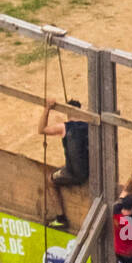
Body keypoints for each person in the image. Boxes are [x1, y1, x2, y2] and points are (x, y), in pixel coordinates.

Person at [36, 97, 86, 229]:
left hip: (74, 172)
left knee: (50, 180)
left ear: (67, 113)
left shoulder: (65, 127)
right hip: (89, 169)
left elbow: (41, 129)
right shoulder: (89, 126)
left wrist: (47, 109)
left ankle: (61, 218)